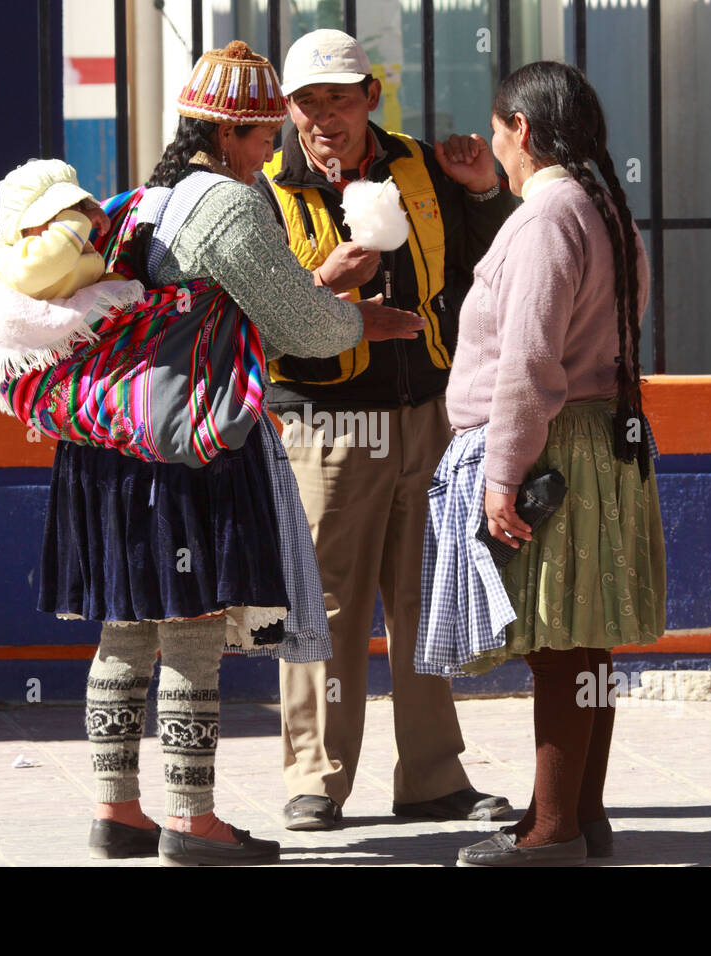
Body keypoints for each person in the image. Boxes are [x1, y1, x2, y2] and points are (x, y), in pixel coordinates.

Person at [23, 41, 425, 866]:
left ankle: (117, 810)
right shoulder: (230, 207)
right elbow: (299, 328)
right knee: (193, 632)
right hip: (186, 449)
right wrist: (356, 307)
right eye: (267, 130)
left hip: (109, 443)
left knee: (126, 628)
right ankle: (192, 820)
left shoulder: (141, 201)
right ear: (237, 131)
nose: (275, 146)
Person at [253, 29, 519, 830]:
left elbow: (487, 263)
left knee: (425, 598)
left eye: (339, 98)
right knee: (322, 607)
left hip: (425, 417)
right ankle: (315, 779)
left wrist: (481, 192)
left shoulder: (420, 165)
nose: (323, 118)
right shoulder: (264, 191)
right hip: (326, 429)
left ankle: (433, 777)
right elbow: (250, 321)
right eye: (307, 103)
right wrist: (325, 294)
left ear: (371, 95)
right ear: (288, 109)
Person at [419, 61, 666, 866]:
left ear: (520, 130)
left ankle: (553, 833)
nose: (496, 147)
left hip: (548, 448)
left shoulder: (544, 217)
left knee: (558, 644)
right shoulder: (602, 209)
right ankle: (578, 817)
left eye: (497, 133)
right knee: (585, 642)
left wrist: (500, 474)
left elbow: (528, 363)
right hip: (601, 443)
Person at [0, 159, 107, 300]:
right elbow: (48, 260)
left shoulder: (78, 249)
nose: (63, 220)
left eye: (74, 207)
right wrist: (76, 221)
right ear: (23, 230)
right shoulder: (15, 260)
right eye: (54, 214)